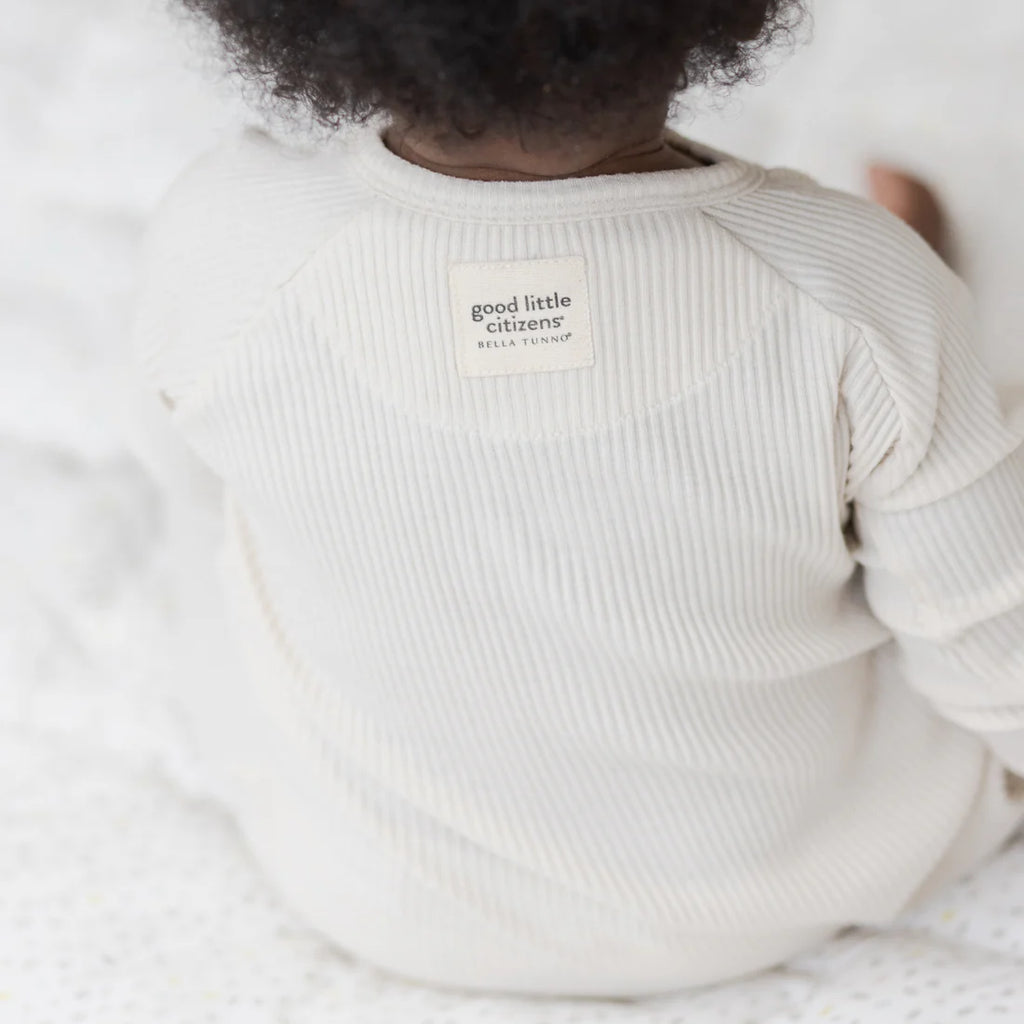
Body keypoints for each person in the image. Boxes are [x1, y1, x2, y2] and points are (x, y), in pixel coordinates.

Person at [128, 0, 1024, 1000]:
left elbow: (195, 504)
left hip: (376, 893)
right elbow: (993, 648)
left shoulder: (223, 239)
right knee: (922, 415)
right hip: (782, 882)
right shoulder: (855, 289)